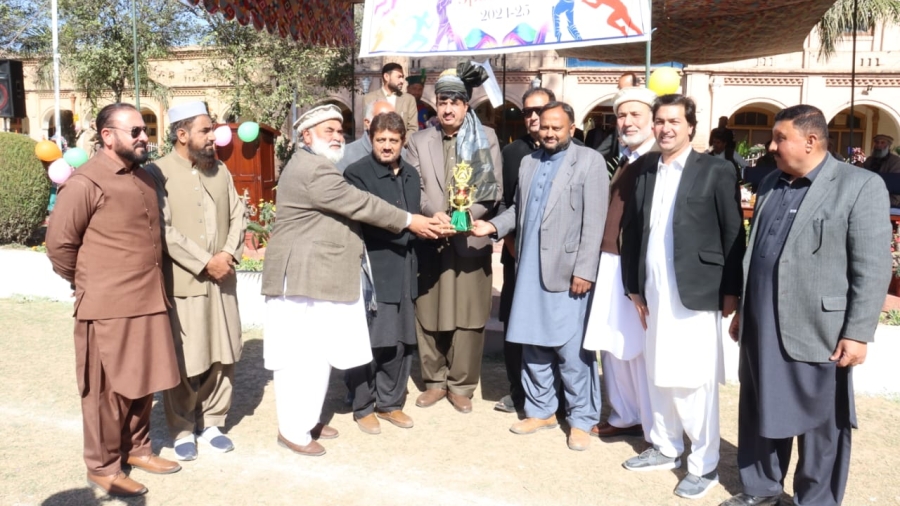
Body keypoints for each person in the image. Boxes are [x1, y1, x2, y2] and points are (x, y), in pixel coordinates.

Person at [719, 105, 892, 506]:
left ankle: (815, 500)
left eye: (780, 138)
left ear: (811, 141)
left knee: (821, 426)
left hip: (819, 330)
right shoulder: (773, 183)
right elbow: (757, 254)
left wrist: (857, 332)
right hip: (762, 325)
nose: (771, 145)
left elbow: (872, 266)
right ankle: (761, 489)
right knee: (760, 409)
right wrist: (745, 309)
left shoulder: (859, 185)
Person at [261, 104, 442, 457]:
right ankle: (293, 431)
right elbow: (361, 204)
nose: (336, 135)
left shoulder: (318, 165)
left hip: (315, 276)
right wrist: (411, 220)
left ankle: (307, 419)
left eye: (339, 129)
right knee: (297, 357)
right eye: (327, 130)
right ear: (306, 136)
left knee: (317, 354)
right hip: (299, 277)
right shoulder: (314, 170)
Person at [45, 103, 181, 497]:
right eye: (135, 130)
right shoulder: (86, 182)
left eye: (144, 130)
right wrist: (88, 282)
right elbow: (59, 246)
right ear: (107, 136)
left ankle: (136, 449)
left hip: (149, 299)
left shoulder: (144, 178)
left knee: (142, 384)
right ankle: (103, 466)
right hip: (106, 307)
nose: (144, 137)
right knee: (105, 391)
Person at [620, 94, 744, 500]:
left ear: (692, 126)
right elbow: (634, 233)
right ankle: (665, 446)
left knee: (695, 380)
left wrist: (731, 291)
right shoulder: (645, 172)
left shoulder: (716, 170)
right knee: (658, 371)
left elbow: (732, 234)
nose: (665, 128)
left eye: (674, 120)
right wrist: (633, 287)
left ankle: (703, 465)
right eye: (660, 121)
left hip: (697, 292)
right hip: (653, 292)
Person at [472, 101, 606, 451]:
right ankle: (541, 409)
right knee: (532, 344)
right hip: (530, 268)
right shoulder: (530, 163)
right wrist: (492, 226)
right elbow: (518, 208)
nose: (548, 133)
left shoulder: (589, 161)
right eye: (544, 126)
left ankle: (581, 418)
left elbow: (595, 221)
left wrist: (585, 270)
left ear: (571, 129)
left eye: (556, 128)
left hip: (569, 273)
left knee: (572, 351)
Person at [145, 101, 246, 461]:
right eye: (205, 130)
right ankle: (183, 427)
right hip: (185, 283)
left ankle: (214, 421)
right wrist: (205, 262)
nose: (213, 136)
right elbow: (163, 229)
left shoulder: (221, 170)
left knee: (225, 352)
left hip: (223, 280)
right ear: (182, 134)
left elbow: (238, 214)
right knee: (187, 359)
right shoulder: (157, 173)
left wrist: (227, 255)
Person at [406, 64, 502, 414]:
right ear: (435, 103)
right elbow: (413, 186)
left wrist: (466, 216)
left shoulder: (486, 137)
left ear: (466, 106)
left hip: (469, 239)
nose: (448, 108)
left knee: (470, 314)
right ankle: (433, 381)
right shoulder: (418, 140)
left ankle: (462, 384)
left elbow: (494, 191)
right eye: (443, 101)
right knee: (428, 310)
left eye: (455, 102)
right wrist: (436, 215)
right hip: (432, 237)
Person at [583, 86, 657, 441]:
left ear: (652, 120)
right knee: (613, 343)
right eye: (621, 116)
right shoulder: (627, 158)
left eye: (635, 115)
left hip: (635, 268)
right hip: (610, 261)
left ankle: (650, 418)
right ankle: (625, 414)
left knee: (639, 348)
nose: (627, 122)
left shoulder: (657, 160)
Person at [343, 112, 421, 434]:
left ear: (403, 141)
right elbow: (369, 221)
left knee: (400, 341)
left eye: (393, 140)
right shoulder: (356, 174)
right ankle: (363, 405)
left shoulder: (412, 175)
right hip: (374, 269)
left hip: (405, 268)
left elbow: (413, 216)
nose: (387, 146)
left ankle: (390, 403)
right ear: (371, 139)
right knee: (370, 341)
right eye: (381, 139)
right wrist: (414, 229)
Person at [494, 86, 557, 414]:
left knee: (552, 322)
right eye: (528, 112)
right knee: (514, 321)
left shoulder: (574, 151)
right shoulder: (512, 153)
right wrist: (509, 241)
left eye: (540, 110)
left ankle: (552, 393)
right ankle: (518, 391)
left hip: (557, 259)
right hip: (517, 254)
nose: (533, 117)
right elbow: (504, 202)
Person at [336, 99, 396, 172]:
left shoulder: (402, 153)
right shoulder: (345, 155)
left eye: (393, 120)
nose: (389, 125)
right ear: (367, 123)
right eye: (383, 120)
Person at [364, 63, 418, 139]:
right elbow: (367, 128)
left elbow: (413, 129)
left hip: (403, 148)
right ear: (386, 77)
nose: (402, 81)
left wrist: (399, 144)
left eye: (402, 77)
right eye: (399, 77)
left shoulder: (409, 99)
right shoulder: (370, 98)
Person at [861, 134, 900, 206]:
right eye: (877, 142)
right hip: (868, 197)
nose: (879, 145)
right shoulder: (869, 160)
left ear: (888, 146)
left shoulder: (895, 161)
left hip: (889, 199)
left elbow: (895, 183)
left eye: (882, 143)